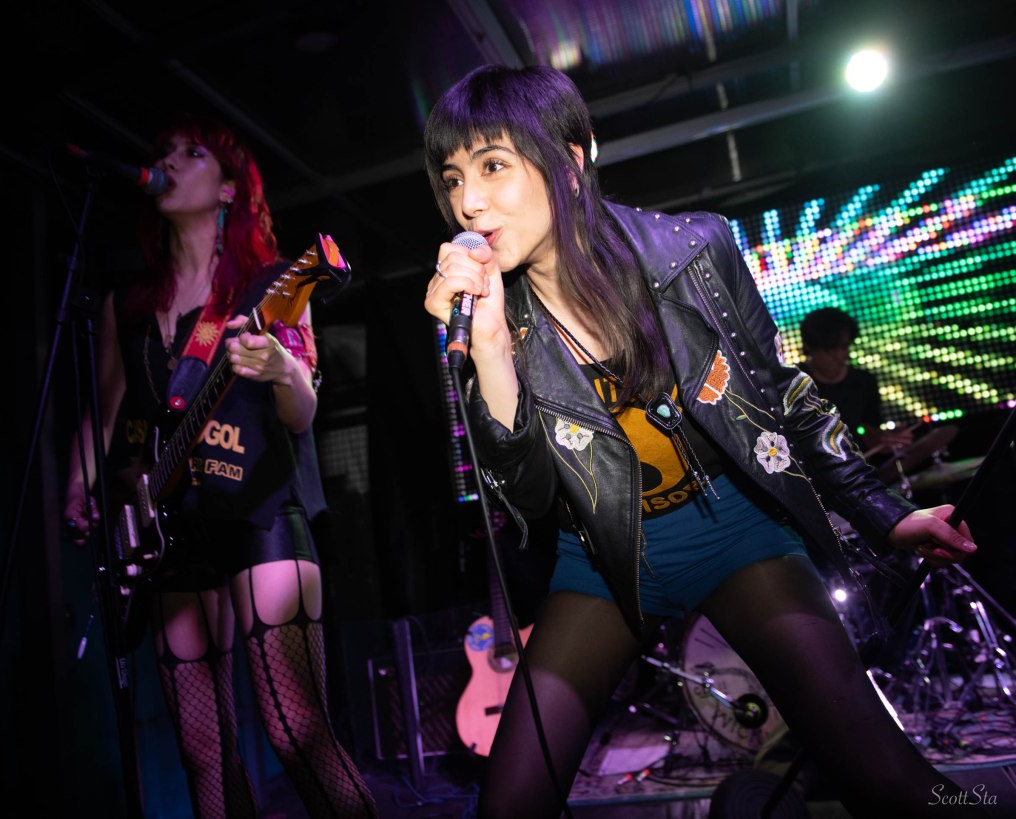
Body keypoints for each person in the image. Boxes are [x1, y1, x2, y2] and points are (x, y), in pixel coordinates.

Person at [421, 65, 985, 818]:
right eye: (454, 178)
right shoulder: (493, 315)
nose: (468, 201)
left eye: (493, 165)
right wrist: (490, 349)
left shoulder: (694, 249)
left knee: (889, 782)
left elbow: (786, 397)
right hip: (602, 561)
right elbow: (526, 499)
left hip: (736, 529)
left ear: (571, 158)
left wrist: (886, 513)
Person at [62, 114, 377, 819]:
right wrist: (77, 485)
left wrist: (282, 369)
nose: (171, 162)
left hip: (260, 507)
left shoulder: (273, 284)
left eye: (193, 152)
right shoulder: (126, 305)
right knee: (203, 751)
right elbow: (106, 414)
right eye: (165, 152)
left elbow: (303, 412)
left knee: (295, 730)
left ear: (230, 188)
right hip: (170, 527)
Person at [799, 306, 913, 454]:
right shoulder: (794, 385)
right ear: (810, 347)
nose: (839, 355)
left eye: (843, 347)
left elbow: (870, 431)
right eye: (830, 349)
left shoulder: (864, 381)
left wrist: (886, 439)